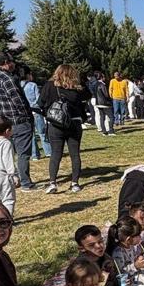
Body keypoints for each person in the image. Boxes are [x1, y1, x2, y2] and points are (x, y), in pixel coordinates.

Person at [39, 64, 92, 194]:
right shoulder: (77, 88)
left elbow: (40, 103)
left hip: (56, 124)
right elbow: (88, 95)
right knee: (75, 154)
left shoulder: (49, 86)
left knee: (56, 154)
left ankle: (52, 182)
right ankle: (75, 183)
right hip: (74, 123)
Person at [0, 53, 37, 190]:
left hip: (1, 121)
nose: (14, 64)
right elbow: (18, 100)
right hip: (18, 120)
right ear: (6, 62)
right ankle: (25, 182)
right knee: (23, 153)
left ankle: (11, 179)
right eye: (11, 61)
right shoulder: (7, 78)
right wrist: (26, 115)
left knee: (7, 154)